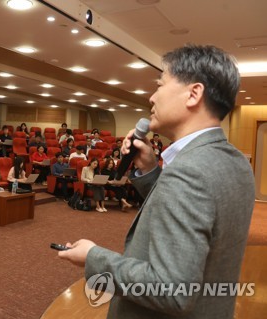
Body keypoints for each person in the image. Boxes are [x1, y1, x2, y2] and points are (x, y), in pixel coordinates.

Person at [58, 45, 255, 319]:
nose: (151, 97)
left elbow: (171, 291)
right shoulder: (235, 162)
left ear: (193, 93)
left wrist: (94, 256)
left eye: (160, 85)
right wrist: (150, 170)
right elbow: (190, 214)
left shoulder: (190, 171)